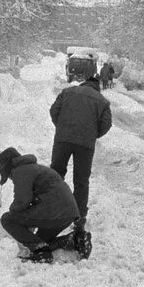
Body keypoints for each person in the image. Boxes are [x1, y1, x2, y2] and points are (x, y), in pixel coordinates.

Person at [49, 74, 113, 238]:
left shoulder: (68, 92)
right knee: (81, 180)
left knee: (56, 174)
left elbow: (54, 110)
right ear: (97, 87)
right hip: (85, 144)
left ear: (84, 83)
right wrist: (92, 134)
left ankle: (52, 209)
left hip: (63, 139)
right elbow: (106, 124)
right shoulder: (102, 101)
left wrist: (62, 126)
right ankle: (79, 218)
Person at [0, 146, 82, 263]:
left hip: (55, 210)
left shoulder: (21, 171)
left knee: (7, 219)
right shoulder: (34, 168)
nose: (11, 179)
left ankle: (40, 252)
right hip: (67, 213)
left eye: (8, 175)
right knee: (39, 240)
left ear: (9, 168)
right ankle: (70, 241)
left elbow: (22, 201)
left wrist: (18, 218)